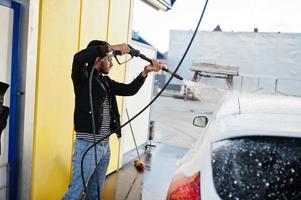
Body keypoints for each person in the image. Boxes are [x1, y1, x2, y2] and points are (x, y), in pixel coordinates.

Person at [62, 40, 162, 200]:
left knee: (94, 192)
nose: (111, 63)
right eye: (108, 58)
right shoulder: (82, 78)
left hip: (104, 146)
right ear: (97, 59)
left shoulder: (105, 81)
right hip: (88, 145)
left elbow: (129, 90)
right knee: (75, 192)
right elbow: (79, 58)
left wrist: (145, 72)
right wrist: (112, 48)